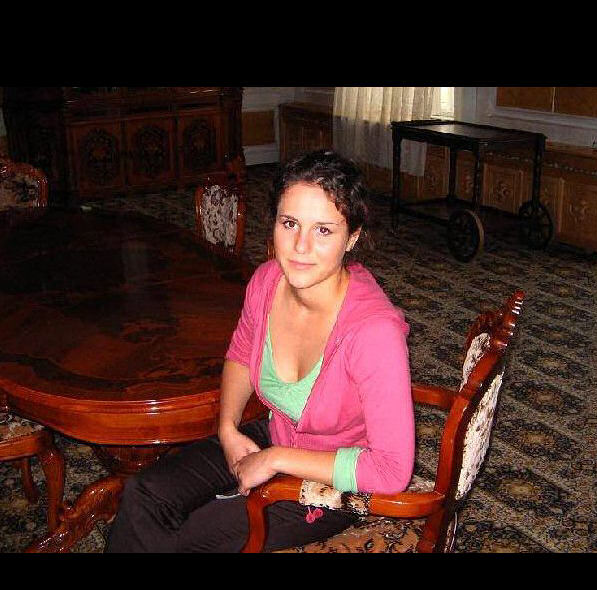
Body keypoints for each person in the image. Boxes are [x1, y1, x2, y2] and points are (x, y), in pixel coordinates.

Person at [106, 150, 415, 553]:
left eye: (323, 230)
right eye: (290, 223)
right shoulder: (267, 281)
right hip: (276, 433)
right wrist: (228, 429)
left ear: (352, 237)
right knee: (144, 494)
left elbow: (391, 470)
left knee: (188, 539)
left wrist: (275, 459)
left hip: (331, 481)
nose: (300, 246)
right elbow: (240, 352)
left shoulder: (374, 333)